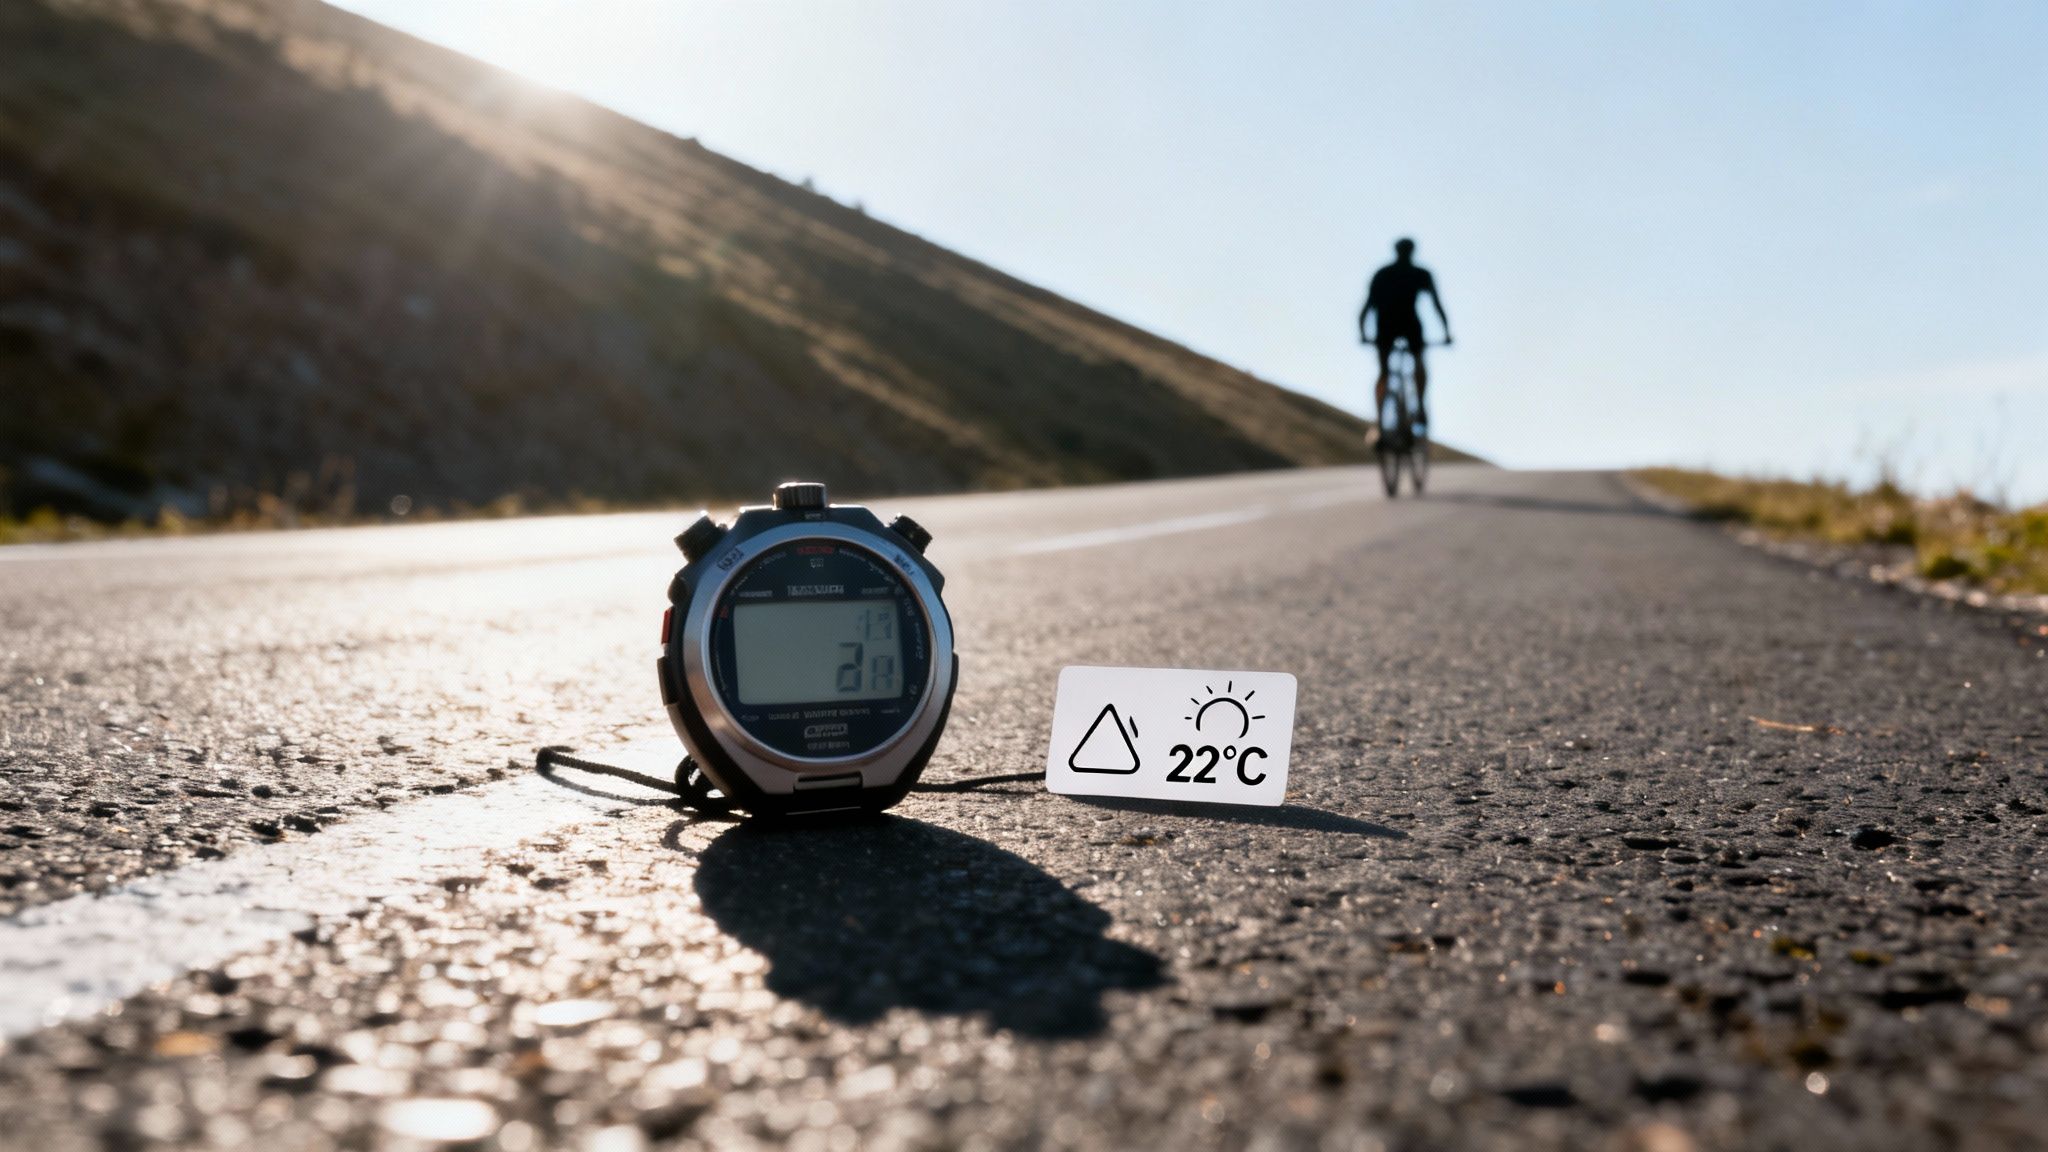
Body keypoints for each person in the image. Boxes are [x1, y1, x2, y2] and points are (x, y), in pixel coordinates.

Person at [1358, 237, 1451, 425]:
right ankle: (1418, 407)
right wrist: (1446, 333)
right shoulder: (1419, 274)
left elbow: (1367, 307)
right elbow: (1436, 305)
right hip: (1406, 324)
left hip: (1388, 325)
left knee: (1386, 370)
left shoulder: (1384, 273)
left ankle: (1379, 420)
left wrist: (1363, 333)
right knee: (1416, 362)